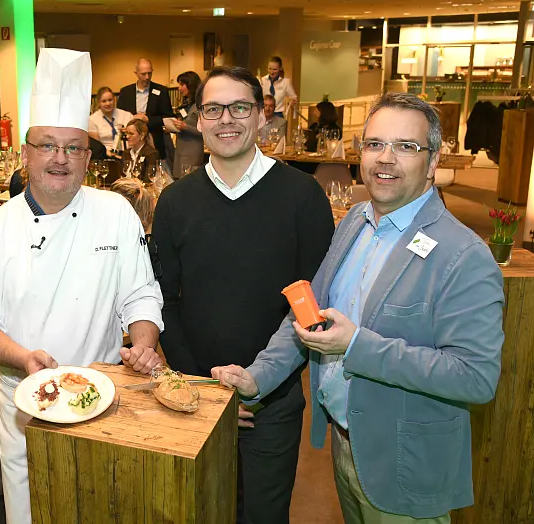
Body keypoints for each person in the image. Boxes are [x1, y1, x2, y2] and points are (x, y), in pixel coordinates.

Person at [212, 92, 505, 524]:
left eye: (406, 146)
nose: (385, 159)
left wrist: (356, 346)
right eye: (374, 144)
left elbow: (476, 377)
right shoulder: (355, 220)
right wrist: (257, 378)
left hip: (405, 466)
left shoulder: (463, 254)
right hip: (345, 446)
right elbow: (308, 312)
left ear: (434, 160)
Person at [0, 48, 163, 524]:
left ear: (88, 157)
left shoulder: (114, 212)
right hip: (25, 409)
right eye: (47, 145)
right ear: (25, 152)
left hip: (104, 402)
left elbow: (141, 294)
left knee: (105, 509)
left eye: (73, 147)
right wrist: (22, 358)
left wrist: (146, 341)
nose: (60, 158)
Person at [152, 66, 334, 524]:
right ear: (198, 117)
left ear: (260, 116)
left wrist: (257, 384)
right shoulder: (175, 202)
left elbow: (312, 303)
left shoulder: (302, 195)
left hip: (271, 402)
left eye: (239, 108)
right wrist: (203, 388)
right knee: (198, 509)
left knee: (262, 514)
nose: (226, 119)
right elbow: (165, 297)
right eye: (213, 109)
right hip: (193, 394)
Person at [117, 59, 175, 161]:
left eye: (149, 73)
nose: (147, 77)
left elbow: (168, 117)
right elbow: (119, 116)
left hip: (154, 140)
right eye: (143, 74)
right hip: (131, 141)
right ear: (136, 73)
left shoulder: (161, 91)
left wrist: (148, 119)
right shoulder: (125, 92)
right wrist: (131, 119)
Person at [171, 71, 204, 179]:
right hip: (180, 150)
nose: (179, 88)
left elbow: (204, 132)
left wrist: (185, 127)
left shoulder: (201, 105)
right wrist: (172, 127)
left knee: (190, 183)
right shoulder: (186, 104)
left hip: (192, 152)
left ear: (190, 85)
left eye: (182, 85)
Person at [88, 87, 133, 154]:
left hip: (128, 152)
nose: (107, 104)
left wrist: (127, 132)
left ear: (114, 100)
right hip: (105, 154)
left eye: (110, 100)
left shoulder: (126, 115)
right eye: (104, 101)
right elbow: (97, 146)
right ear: (98, 102)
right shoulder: (92, 120)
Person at [123, 119, 159, 183]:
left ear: (142, 135)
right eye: (126, 133)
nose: (127, 137)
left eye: (131, 134)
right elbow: (122, 175)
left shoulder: (151, 153)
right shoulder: (126, 153)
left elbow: (148, 180)